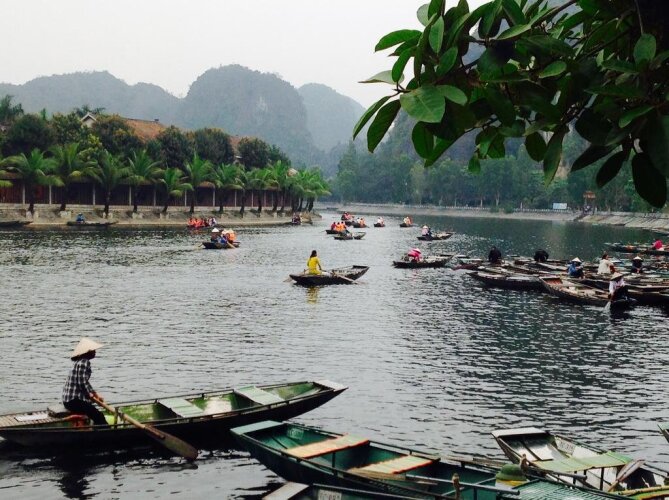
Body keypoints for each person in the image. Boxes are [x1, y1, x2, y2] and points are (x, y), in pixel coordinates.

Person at [62, 337, 108, 426]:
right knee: (99, 416)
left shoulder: (79, 361)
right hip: (73, 400)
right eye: (93, 350)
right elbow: (82, 383)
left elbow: (85, 382)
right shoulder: (84, 362)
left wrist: (95, 394)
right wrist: (89, 396)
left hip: (68, 400)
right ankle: (105, 432)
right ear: (87, 352)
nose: (95, 352)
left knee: (94, 413)